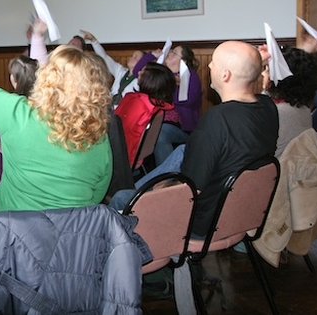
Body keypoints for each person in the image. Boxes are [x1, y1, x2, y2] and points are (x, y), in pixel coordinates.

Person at [111, 41, 278, 239]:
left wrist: (157, 188)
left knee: (121, 198)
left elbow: (189, 190)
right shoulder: (268, 106)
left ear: (226, 75)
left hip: (203, 221)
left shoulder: (217, 119)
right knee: (183, 151)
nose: (209, 66)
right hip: (242, 213)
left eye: (213, 62)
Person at [0, 22, 113, 213]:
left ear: (46, 78)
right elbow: (96, 194)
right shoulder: (98, 135)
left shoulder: (18, 113)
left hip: (10, 233)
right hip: (72, 237)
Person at [114, 62, 175, 167]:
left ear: (150, 80)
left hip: (122, 157)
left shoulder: (136, 102)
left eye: (142, 72)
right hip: (136, 156)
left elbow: (116, 127)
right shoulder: (157, 105)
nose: (138, 73)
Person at [263, 47, 317, 157]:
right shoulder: (302, 109)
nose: (263, 74)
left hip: (278, 171)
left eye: (267, 70)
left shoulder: (276, 113)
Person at [80, 30, 145, 106]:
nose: (131, 58)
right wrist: (94, 41)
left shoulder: (140, 80)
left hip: (126, 112)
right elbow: (104, 57)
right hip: (110, 108)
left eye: (136, 57)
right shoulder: (120, 71)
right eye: (132, 56)